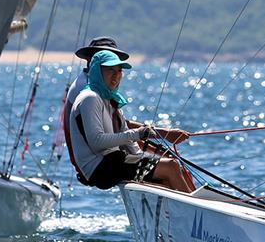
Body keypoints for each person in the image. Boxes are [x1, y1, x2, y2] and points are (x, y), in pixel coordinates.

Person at [69, 50, 195, 192]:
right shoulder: (89, 98)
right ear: (97, 71)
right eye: (110, 70)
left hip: (114, 161)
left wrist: (142, 156)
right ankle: (199, 207)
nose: (116, 76)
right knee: (170, 167)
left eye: (119, 71)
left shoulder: (109, 99)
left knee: (169, 168)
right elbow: (96, 142)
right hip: (100, 169)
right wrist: (139, 133)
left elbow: (127, 137)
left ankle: (196, 204)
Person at [63, 36, 130, 182]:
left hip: (103, 151)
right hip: (94, 160)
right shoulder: (87, 89)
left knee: (163, 156)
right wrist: (139, 133)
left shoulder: (100, 88)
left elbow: (115, 122)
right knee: (165, 165)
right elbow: (96, 136)